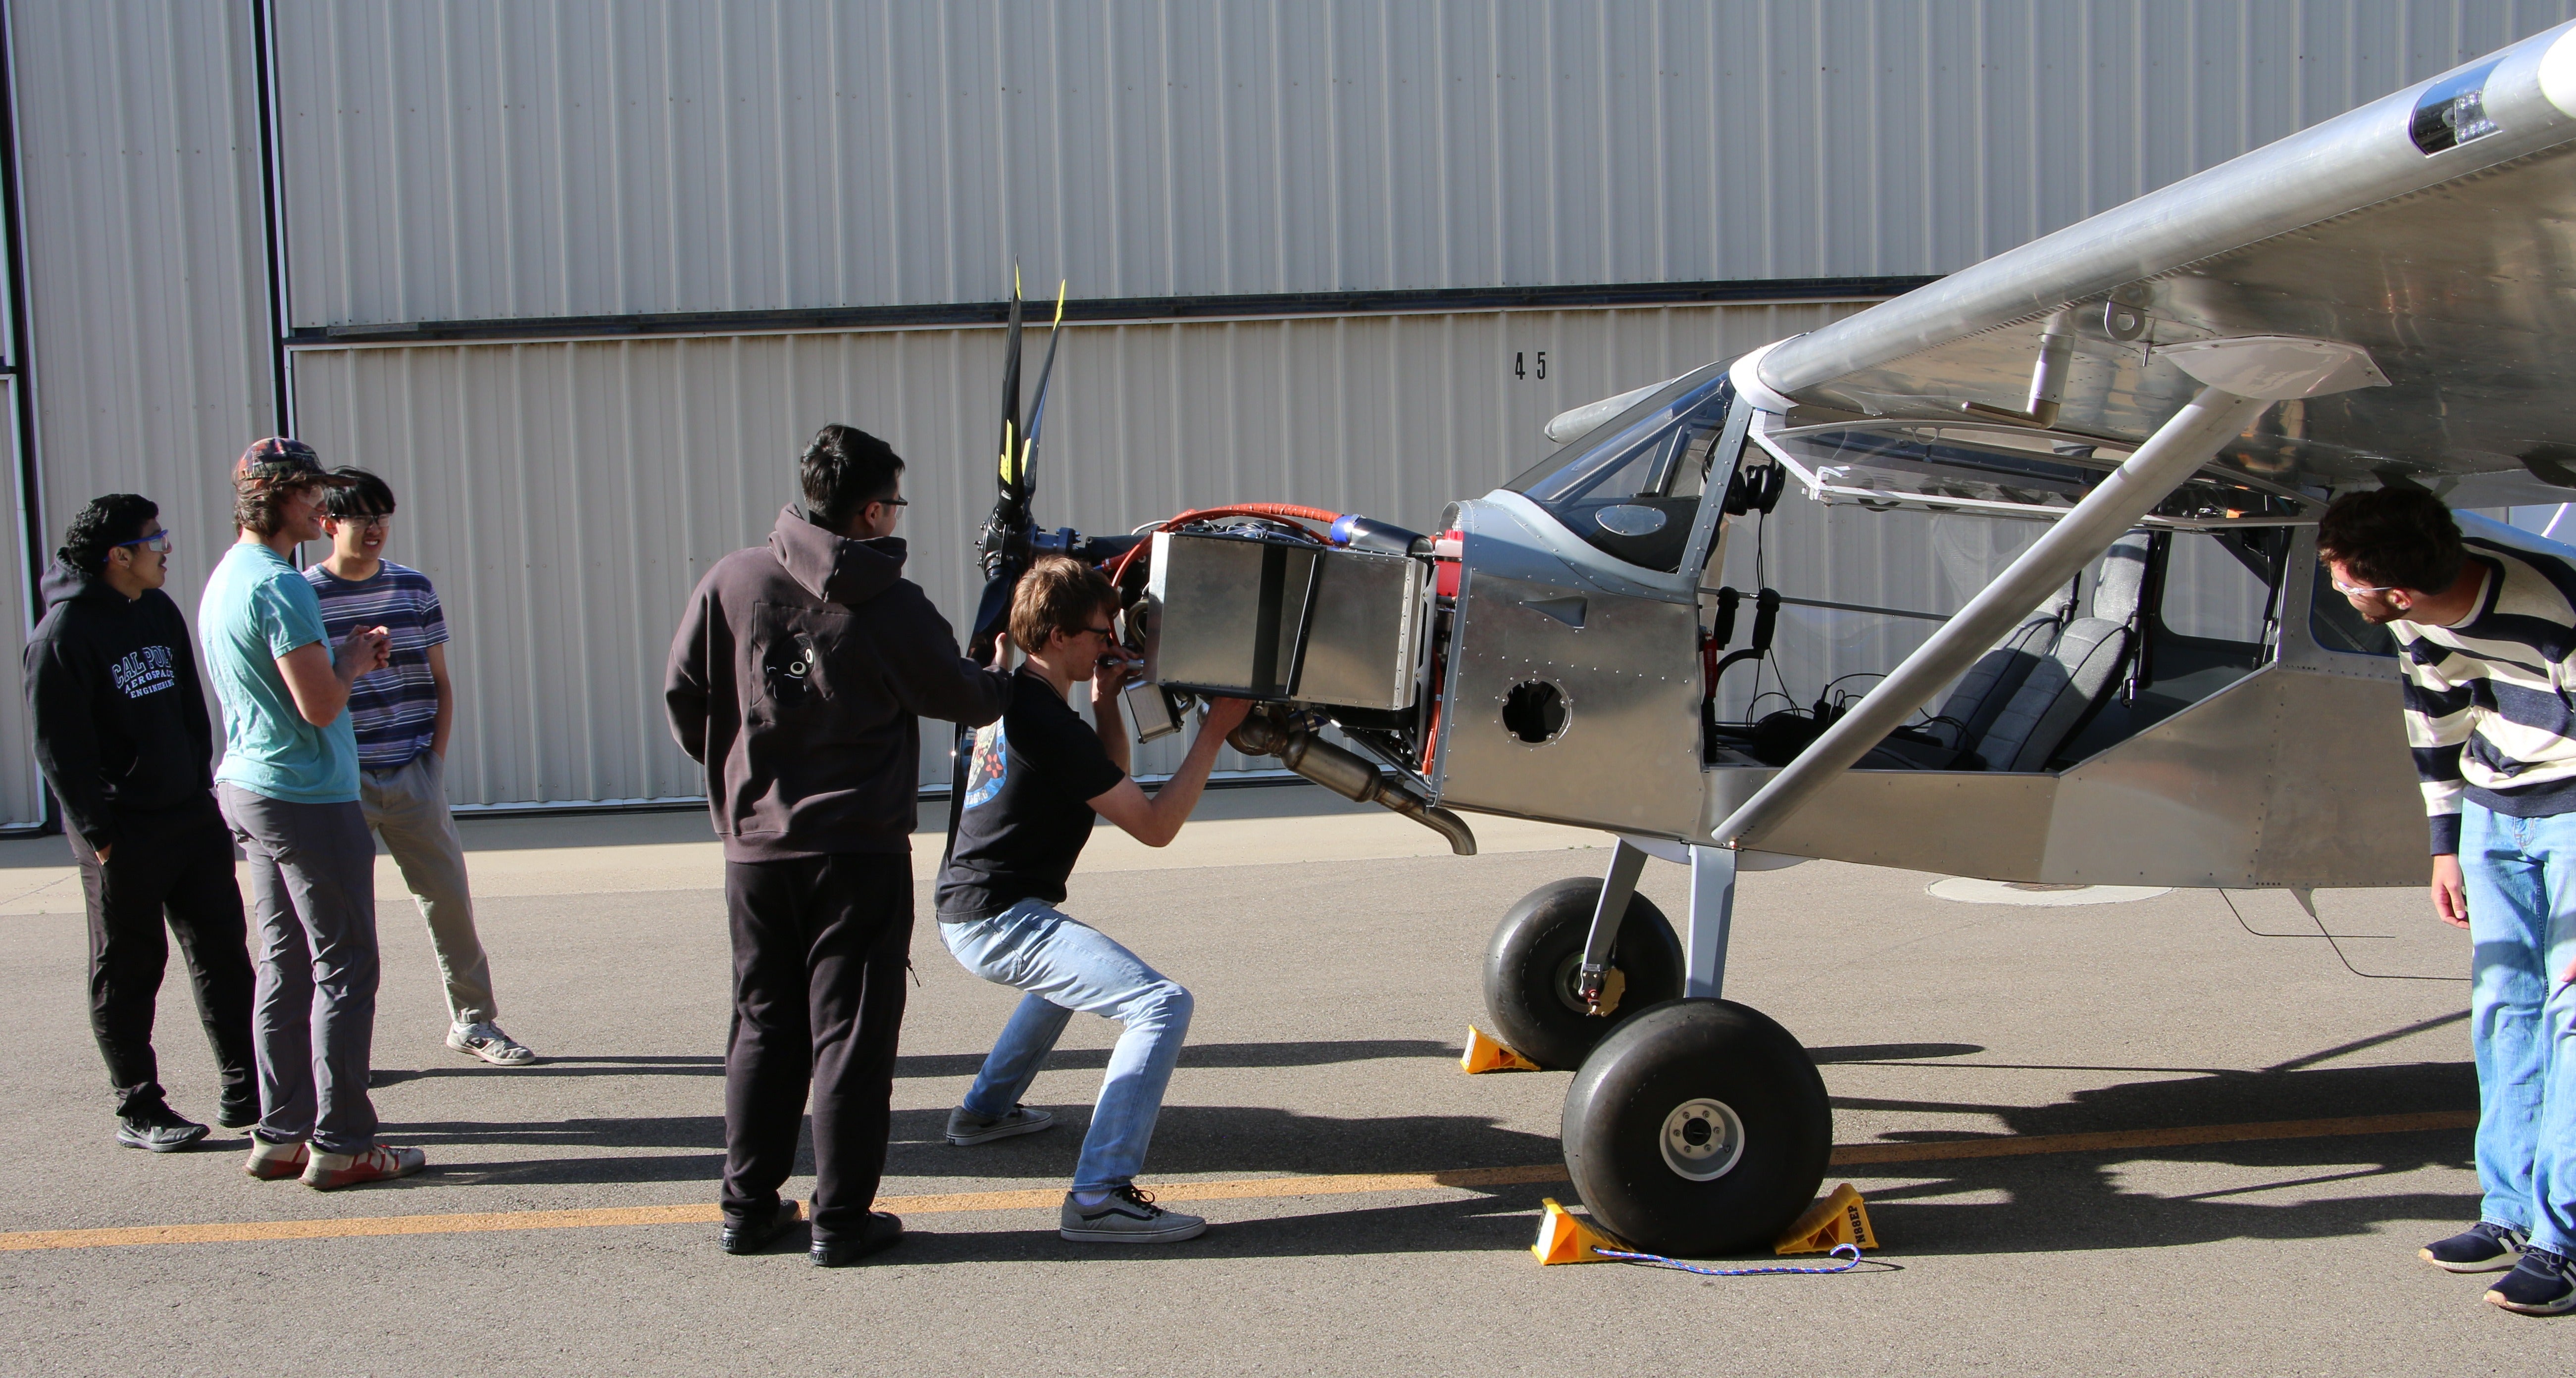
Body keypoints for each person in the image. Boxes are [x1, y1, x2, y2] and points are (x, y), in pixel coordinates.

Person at [666, 423, 1012, 1267]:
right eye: (894, 502)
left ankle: (747, 1206)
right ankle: (840, 1216)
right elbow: (963, 696)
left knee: (761, 1020)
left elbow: (687, 694)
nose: (898, 516)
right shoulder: (890, 602)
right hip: (857, 846)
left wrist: (743, 774)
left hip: (756, 844)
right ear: (867, 509)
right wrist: (1001, 668)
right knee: (850, 1032)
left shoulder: (733, 580)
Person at [934, 556, 1251, 1245]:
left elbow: (1107, 779)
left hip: (972, 906)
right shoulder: (1047, 726)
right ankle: (1099, 1196)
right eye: (1101, 633)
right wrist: (1214, 733)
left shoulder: (1012, 696)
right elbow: (1154, 826)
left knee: (1068, 969)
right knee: (1159, 1003)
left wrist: (1108, 703)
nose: (1112, 645)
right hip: (994, 919)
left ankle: (984, 1112)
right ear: (1054, 636)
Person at [2319, 486, 2576, 1316]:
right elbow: (2435, 714)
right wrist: (2444, 843)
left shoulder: (2558, 604)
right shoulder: (2409, 616)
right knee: (2503, 1003)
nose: (2332, 588)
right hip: (2494, 809)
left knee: (2571, 1016)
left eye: (2337, 576)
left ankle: (2562, 1240)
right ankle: (2505, 1211)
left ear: (2392, 588)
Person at [201, 437, 426, 1191]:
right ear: (276, 499)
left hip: (251, 784)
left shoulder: (227, 576)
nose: (321, 508)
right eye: (309, 495)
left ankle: (283, 1131)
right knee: (345, 965)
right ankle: (344, 1142)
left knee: (285, 961)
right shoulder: (280, 586)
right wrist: (356, 660)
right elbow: (321, 701)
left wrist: (343, 653)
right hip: (305, 792)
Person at [26, 494, 257, 1152]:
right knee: (130, 966)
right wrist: (100, 836)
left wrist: (196, 786)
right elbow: (59, 754)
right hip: (122, 834)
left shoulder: (157, 609)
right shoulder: (62, 637)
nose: (167, 548)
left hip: (188, 815)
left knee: (222, 954)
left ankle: (246, 1090)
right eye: (156, 539)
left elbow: (190, 708)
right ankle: (139, 1106)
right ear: (118, 557)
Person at [305, 468, 533, 1067]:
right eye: (362, 518)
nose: (376, 528)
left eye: (384, 516)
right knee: (342, 918)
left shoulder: (412, 589)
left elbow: (440, 683)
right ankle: (342, 1048)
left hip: (411, 771)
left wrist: (432, 761)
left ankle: (475, 1022)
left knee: (447, 899)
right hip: (340, 781)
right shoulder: (305, 595)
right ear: (328, 524)